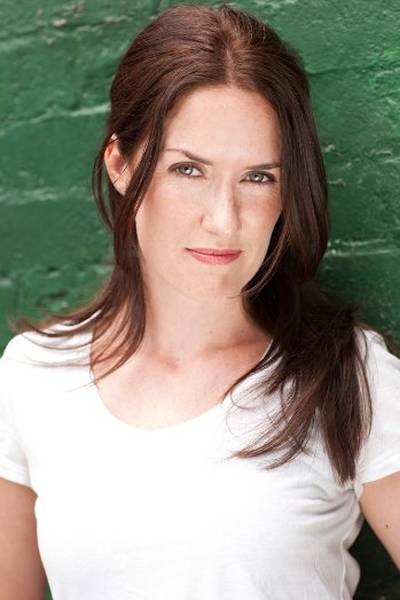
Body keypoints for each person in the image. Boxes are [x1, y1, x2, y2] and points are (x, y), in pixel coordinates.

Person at [0, 3, 399, 599]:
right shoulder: (34, 376)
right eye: (189, 170)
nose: (224, 219)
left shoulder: (347, 374)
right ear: (121, 164)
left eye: (259, 177)